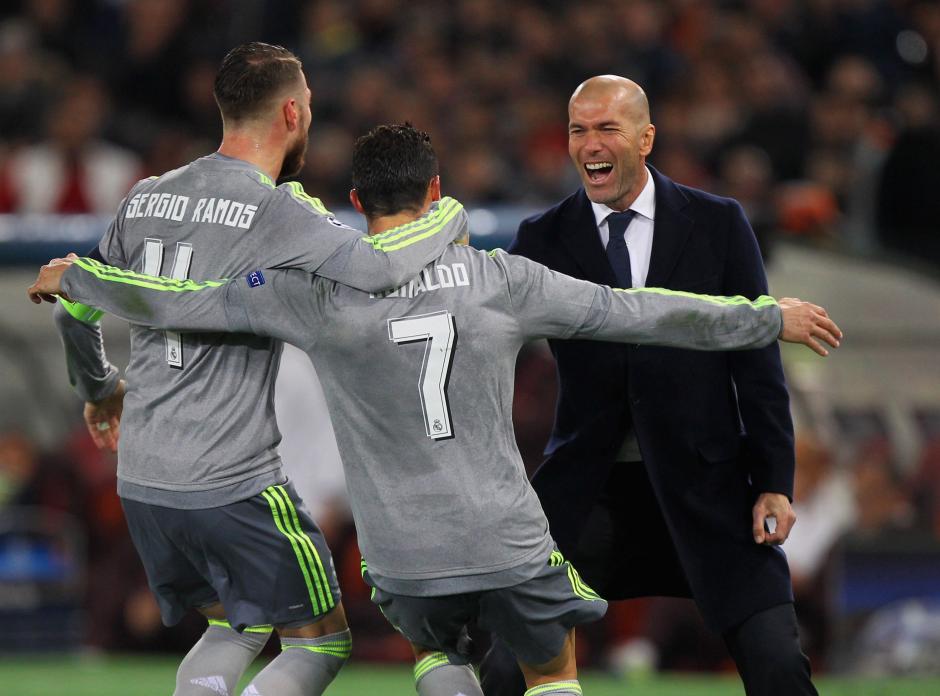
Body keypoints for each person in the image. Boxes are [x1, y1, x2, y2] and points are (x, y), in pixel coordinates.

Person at [30, 123, 841, 696]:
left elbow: (185, 301)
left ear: (353, 198)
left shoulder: (310, 297)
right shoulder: (501, 279)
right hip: (505, 537)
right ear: (440, 192)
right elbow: (650, 312)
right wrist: (767, 318)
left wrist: (83, 279)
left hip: (400, 553)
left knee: (430, 647)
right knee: (551, 670)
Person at [50, 44, 465, 696]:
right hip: (229, 480)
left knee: (232, 627)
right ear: (293, 112)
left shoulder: (146, 195)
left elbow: (74, 310)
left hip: (143, 480)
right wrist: (447, 218)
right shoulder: (279, 210)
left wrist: (101, 389)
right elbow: (384, 268)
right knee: (320, 639)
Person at [478, 75, 820, 696]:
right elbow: (492, 360)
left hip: (709, 486)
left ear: (646, 137)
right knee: (504, 669)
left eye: (606, 128)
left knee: (777, 665)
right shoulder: (541, 238)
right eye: (578, 130)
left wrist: (774, 480)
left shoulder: (718, 223)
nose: (589, 144)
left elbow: (757, 363)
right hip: (590, 490)